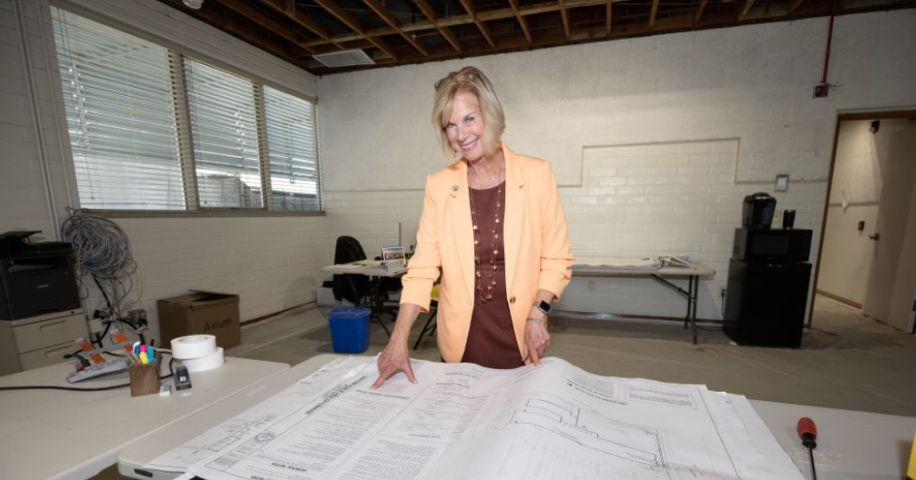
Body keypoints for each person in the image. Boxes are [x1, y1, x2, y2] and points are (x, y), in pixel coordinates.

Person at [371, 66, 574, 388]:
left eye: (469, 119)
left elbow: (557, 259)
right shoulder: (439, 185)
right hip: (461, 339)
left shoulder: (536, 174)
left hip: (520, 332)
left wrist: (538, 313)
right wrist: (398, 339)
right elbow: (423, 268)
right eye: (450, 125)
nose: (460, 134)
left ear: (490, 116)